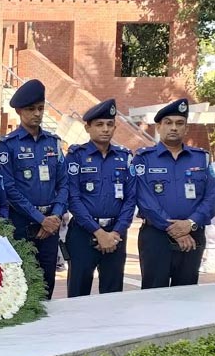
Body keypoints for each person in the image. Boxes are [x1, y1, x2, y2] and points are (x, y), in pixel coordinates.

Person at [0, 79, 68, 299]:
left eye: (40, 108)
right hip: (23, 225)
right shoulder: (8, 144)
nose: (37, 114)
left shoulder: (53, 142)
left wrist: (54, 216)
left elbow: (64, 183)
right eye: (30, 109)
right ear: (19, 111)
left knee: (47, 284)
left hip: (50, 225)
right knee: (23, 285)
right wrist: (40, 219)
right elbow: (8, 188)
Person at [133, 98, 215, 289]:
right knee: (154, 293)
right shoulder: (143, 158)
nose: (174, 128)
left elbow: (212, 196)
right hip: (156, 237)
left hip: (193, 235)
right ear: (158, 127)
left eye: (179, 123)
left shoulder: (201, 158)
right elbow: (144, 199)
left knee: (186, 294)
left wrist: (190, 223)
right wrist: (174, 230)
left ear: (186, 128)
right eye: (168, 123)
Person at [64, 99, 136, 297]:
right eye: (99, 124)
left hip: (116, 235)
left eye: (109, 124)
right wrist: (98, 233)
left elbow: (131, 199)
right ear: (88, 128)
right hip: (83, 234)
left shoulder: (125, 157)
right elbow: (73, 198)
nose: (105, 129)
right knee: (78, 295)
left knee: (113, 295)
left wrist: (115, 233)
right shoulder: (76, 156)